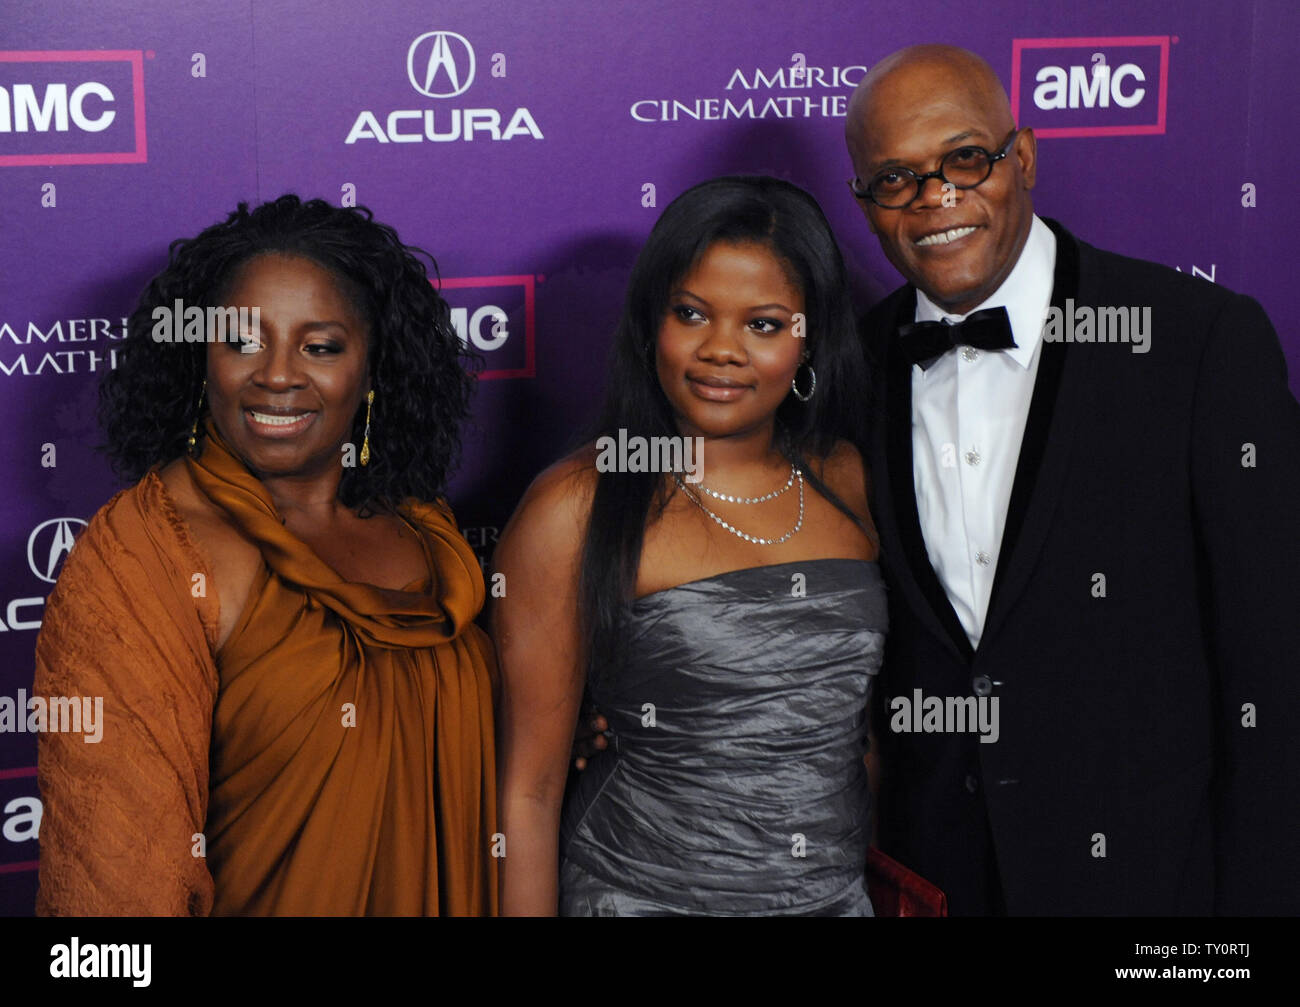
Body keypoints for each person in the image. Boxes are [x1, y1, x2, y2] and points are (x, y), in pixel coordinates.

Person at [845, 44, 1300, 914]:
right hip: (937, 880)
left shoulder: (1196, 342)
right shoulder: (850, 369)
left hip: (1154, 892)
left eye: (965, 159)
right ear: (866, 205)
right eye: (896, 179)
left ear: (1023, 157)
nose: (936, 198)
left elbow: (1274, 669)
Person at [34, 195, 499, 916]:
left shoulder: (424, 526)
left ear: (374, 367)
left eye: (320, 346)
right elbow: (112, 877)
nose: (276, 375)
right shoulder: (146, 555)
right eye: (243, 341)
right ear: (199, 356)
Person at [493, 176, 886, 915]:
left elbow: (857, 736)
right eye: (692, 313)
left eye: (764, 324)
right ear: (651, 324)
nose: (721, 351)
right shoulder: (575, 506)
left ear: (810, 341)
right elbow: (528, 792)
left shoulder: (846, 476)